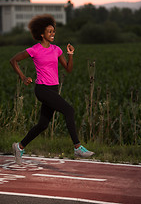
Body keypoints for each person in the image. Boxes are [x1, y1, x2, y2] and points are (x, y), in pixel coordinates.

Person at [10, 14, 94, 165]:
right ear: (42, 34)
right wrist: (23, 77)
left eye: (53, 32)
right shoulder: (34, 50)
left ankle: (19, 146)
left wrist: (70, 55)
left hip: (53, 89)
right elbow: (13, 60)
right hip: (42, 89)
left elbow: (68, 69)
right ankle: (77, 147)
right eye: (49, 32)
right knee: (69, 110)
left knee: (43, 124)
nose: (53, 34)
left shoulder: (56, 50)